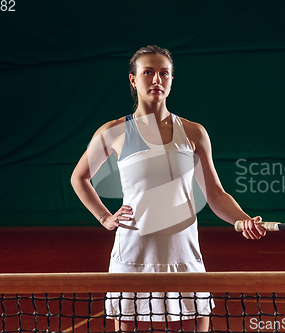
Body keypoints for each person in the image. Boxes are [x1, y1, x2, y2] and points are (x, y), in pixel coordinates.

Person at [71, 45, 266, 332]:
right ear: (133, 80)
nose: (156, 79)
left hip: (183, 250)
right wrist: (105, 217)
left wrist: (242, 219)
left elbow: (215, 193)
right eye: (147, 72)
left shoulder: (194, 132)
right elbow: (80, 178)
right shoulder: (112, 131)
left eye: (164, 73)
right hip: (134, 250)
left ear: (172, 79)